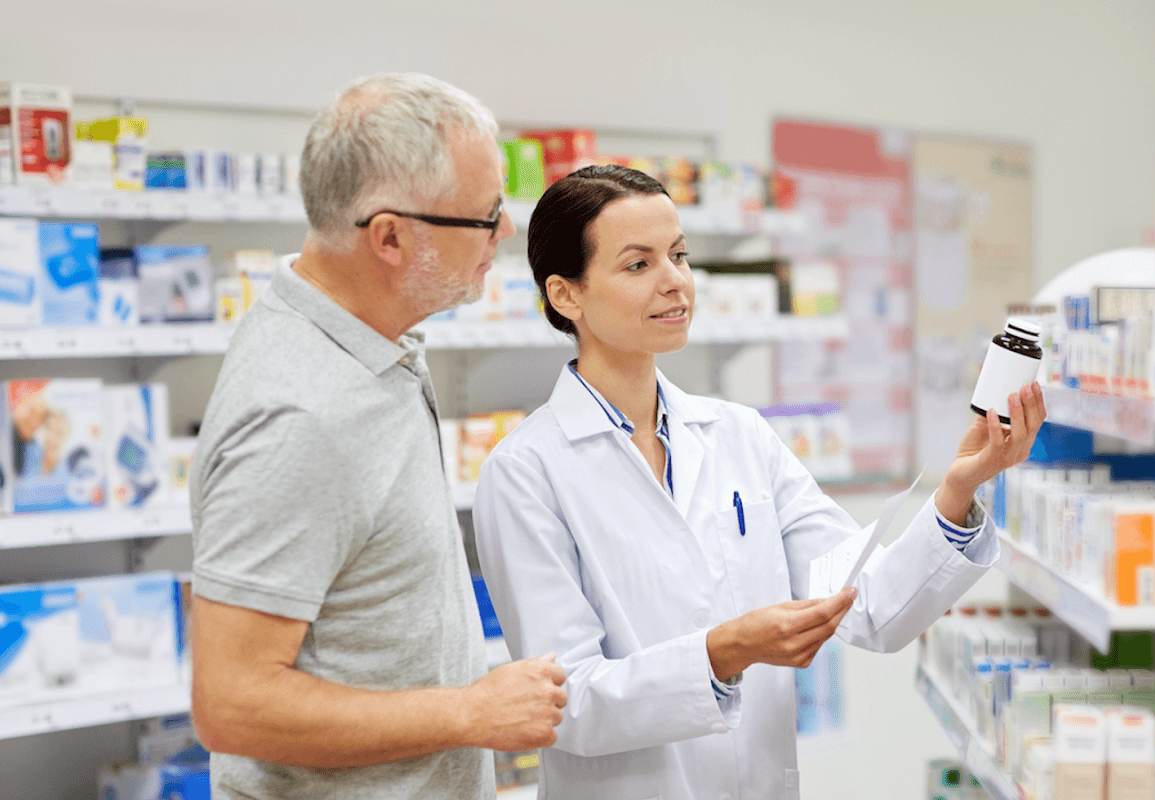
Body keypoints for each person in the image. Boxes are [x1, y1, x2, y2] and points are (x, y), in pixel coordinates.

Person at [471, 165, 1047, 800]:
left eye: (679, 255)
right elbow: (566, 702)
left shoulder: (739, 434)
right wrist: (722, 653)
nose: (675, 281)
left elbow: (870, 608)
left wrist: (959, 490)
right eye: (638, 264)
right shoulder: (526, 473)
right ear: (566, 295)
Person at [189, 73, 567, 800]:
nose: (504, 234)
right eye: (486, 216)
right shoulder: (302, 414)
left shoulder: (367, 342)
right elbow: (232, 705)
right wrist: (470, 712)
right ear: (391, 237)